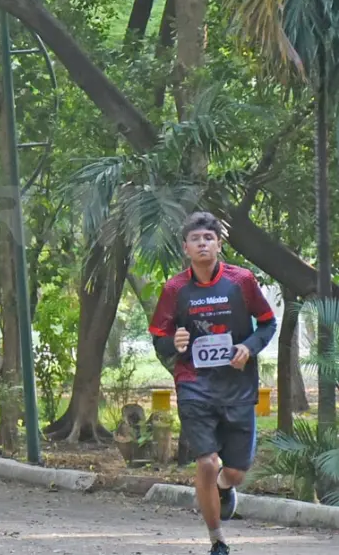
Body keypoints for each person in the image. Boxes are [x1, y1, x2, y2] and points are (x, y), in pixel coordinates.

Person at [149, 212, 276, 555]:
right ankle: (217, 539)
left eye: (209, 238)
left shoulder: (242, 280)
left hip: (237, 386)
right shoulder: (175, 288)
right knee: (206, 462)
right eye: (196, 239)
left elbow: (267, 323)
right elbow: (158, 336)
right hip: (194, 384)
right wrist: (171, 342)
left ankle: (224, 487)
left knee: (234, 472)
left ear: (219, 244)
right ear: (186, 248)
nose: (203, 243)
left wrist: (248, 348)